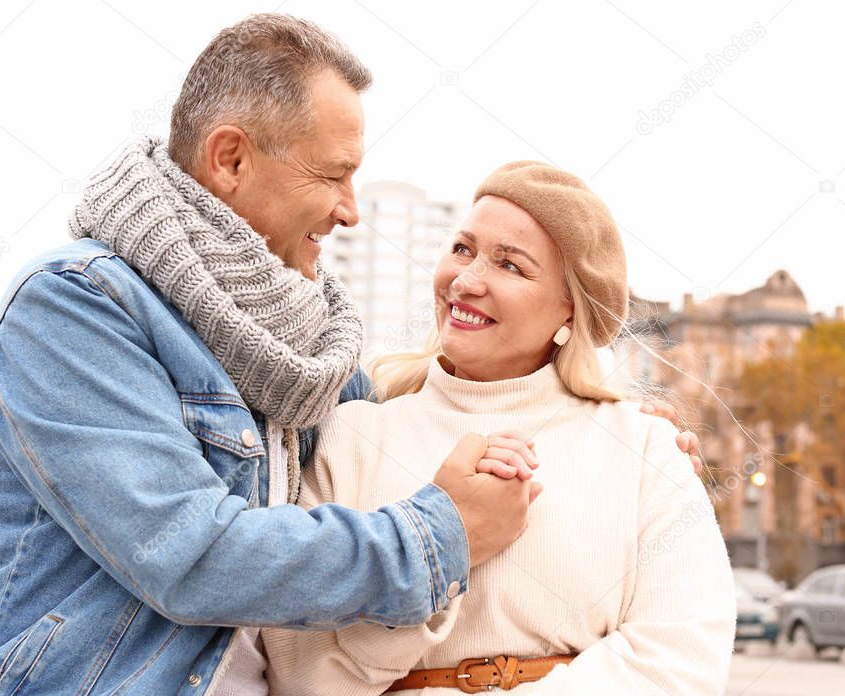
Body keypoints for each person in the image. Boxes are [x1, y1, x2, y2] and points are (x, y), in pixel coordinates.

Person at [0, 15, 703, 696]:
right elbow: (190, 556)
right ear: (231, 159)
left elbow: (419, 415)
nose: (350, 211)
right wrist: (443, 533)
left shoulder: (305, 357)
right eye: (334, 175)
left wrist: (605, 435)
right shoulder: (76, 310)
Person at [262, 162, 737, 695]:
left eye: (510, 265)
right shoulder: (349, 436)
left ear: (570, 312)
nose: (465, 281)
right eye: (462, 249)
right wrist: (445, 549)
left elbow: (681, 663)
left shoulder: (646, 448)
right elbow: (298, 671)